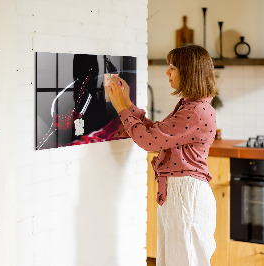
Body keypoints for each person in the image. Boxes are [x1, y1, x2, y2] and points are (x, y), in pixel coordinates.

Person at [106, 44, 218, 266]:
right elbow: (157, 133)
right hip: (181, 193)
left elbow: (149, 141)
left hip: (186, 195)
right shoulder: (191, 106)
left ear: (189, 72)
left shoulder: (195, 111)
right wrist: (128, 104)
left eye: (173, 67)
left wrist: (121, 108)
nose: (167, 72)